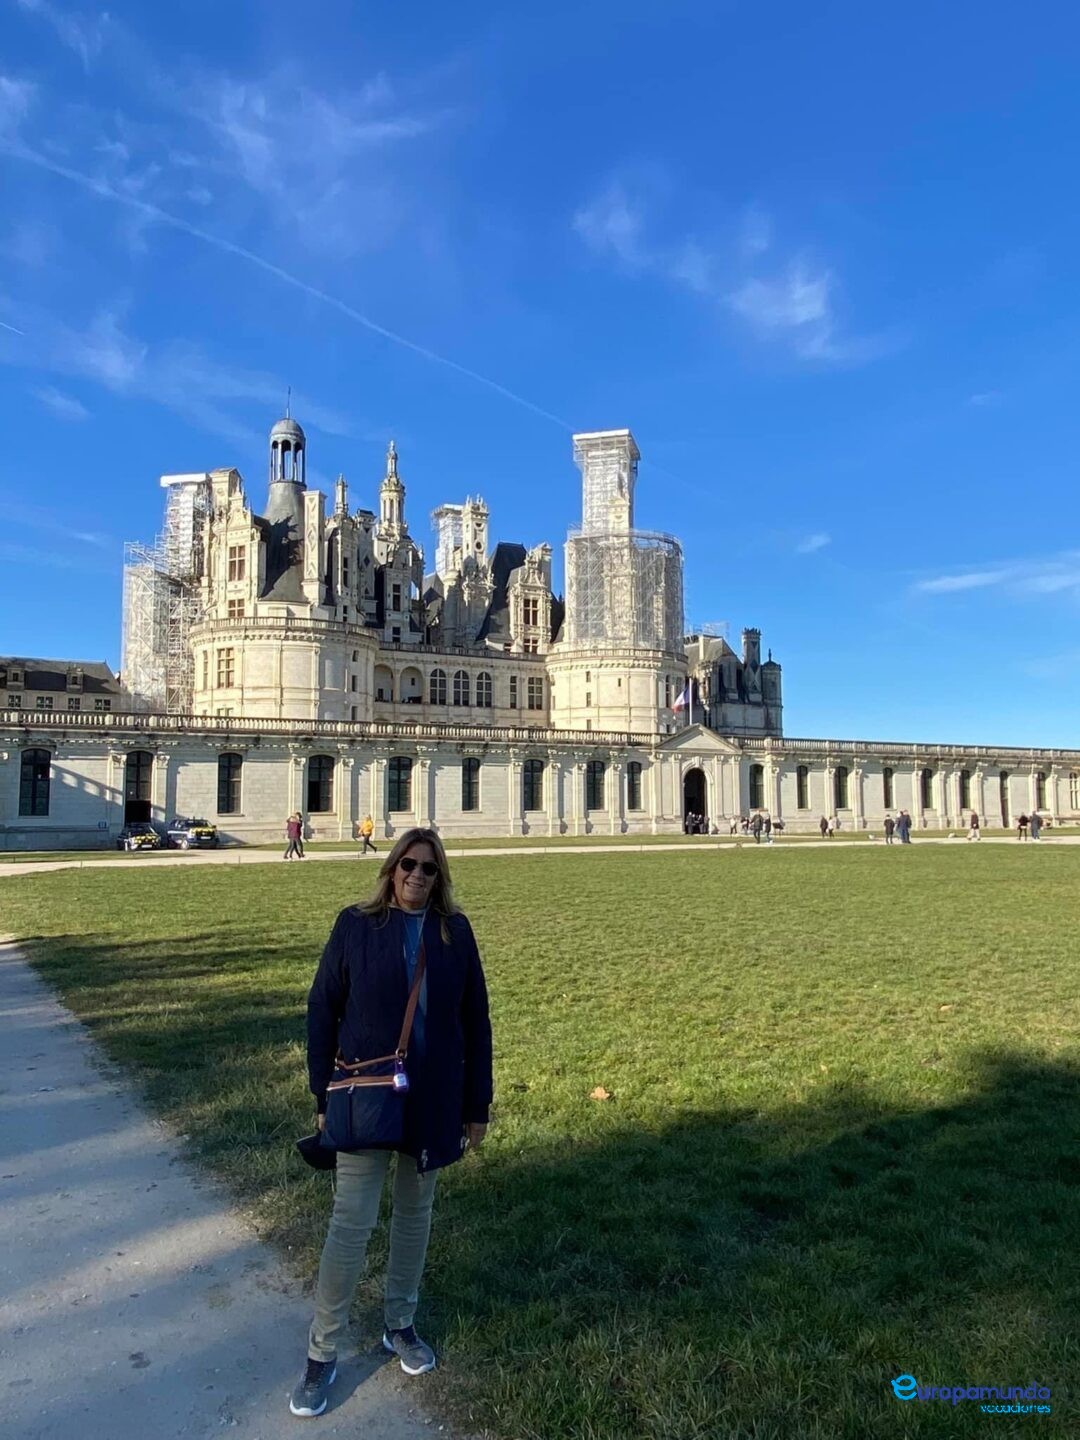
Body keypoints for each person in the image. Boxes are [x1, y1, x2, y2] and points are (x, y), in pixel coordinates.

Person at [290, 827, 493, 1419]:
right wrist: (320, 1090)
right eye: (407, 865)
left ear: (440, 876)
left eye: (428, 869)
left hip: (432, 1099)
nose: (416, 877)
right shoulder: (356, 925)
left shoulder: (454, 932)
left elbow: (475, 1022)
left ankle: (398, 1323)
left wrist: (476, 1105)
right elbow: (321, 1007)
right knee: (350, 1224)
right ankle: (322, 1350)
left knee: (414, 1217)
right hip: (367, 1096)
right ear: (390, 869)